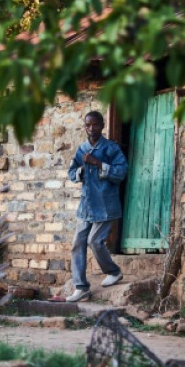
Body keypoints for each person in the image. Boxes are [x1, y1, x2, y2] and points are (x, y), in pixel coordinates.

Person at [66, 110, 129, 302]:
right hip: (86, 204)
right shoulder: (82, 149)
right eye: (87, 125)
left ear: (102, 126)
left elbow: (121, 172)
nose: (91, 128)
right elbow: (71, 173)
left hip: (105, 204)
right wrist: (81, 170)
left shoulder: (111, 149)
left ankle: (113, 271)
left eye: (95, 124)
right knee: (78, 243)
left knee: (94, 241)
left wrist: (98, 163)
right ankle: (81, 287)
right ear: (84, 127)